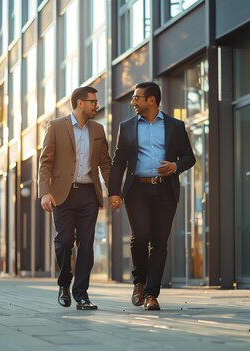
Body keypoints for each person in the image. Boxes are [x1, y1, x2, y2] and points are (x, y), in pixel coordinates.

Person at [109, 81, 195, 311]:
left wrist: (175, 167)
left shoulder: (175, 126)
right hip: (137, 189)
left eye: (137, 97)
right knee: (140, 237)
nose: (132, 102)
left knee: (159, 243)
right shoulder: (126, 126)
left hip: (165, 190)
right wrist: (114, 192)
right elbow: (118, 162)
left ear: (152, 100)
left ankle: (151, 294)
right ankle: (139, 282)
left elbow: (189, 157)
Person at [38, 86, 111, 310]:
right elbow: (45, 162)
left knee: (86, 244)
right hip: (62, 194)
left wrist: (114, 191)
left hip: (88, 194)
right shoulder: (56, 126)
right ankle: (64, 284)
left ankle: (81, 294)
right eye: (93, 102)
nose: (96, 105)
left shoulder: (98, 129)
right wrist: (44, 192)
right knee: (64, 242)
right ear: (80, 103)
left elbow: (105, 164)